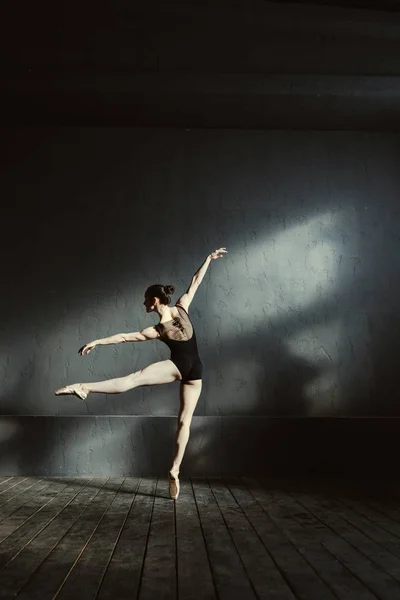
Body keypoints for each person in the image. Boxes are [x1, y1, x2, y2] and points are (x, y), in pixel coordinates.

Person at [55, 247, 227, 499]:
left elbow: (125, 337)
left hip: (178, 366)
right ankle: (175, 470)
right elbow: (195, 282)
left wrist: (97, 341)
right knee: (184, 422)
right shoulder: (182, 307)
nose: (144, 304)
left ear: (154, 300)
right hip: (196, 371)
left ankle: (84, 387)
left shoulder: (157, 329)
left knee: (133, 380)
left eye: (146, 300)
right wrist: (208, 260)